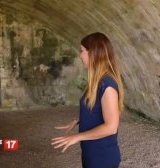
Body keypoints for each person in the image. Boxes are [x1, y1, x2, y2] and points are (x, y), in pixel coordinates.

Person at [52, 32, 124, 168]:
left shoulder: (107, 85)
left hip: (103, 158)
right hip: (91, 153)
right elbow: (96, 108)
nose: (80, 55)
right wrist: (77, 120)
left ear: (93, 53)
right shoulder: (96, 82)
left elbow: (111, 127)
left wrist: (77, 136)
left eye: (82, 51)